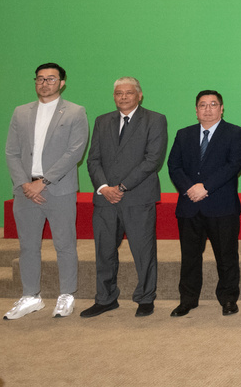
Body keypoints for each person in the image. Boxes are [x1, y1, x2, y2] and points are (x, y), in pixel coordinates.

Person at [3, 63, 89, 320]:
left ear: (61, 83)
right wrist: (25, 184)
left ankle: (66, 294)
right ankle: (31, 296)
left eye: (51, 79)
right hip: (25, 191)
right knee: (28, 247)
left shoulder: (75, 112)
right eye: (40, 79)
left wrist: (44, 181)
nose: (44, 83)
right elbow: (11, 152)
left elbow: (75, 152)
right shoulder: (21, 112)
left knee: (64, 244)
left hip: (58, 189)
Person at [82, 77, 168, 318]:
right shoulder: (102, 121)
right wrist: (103, 187)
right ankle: (106, 298)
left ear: (139, 95)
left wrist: (121, 187)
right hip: (105, 199)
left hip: (138, 197)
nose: (123, 97)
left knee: (143, 252)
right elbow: (93, 159)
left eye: (129, 92)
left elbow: (153, 160)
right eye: (118, 93)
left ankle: (145, 298)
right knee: (104, 252)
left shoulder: (155, 119)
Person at [167, 90, 241, 317]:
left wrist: (206, 187)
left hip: (222, 206)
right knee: (189, 258)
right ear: (196, 110)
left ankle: (228, 299)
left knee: (226, 256)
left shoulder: (236, 133)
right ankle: (188, 300)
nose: (208, 109)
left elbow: (234, 165)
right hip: (189, 206)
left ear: (221, 108)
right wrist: (189, 188)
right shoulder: (184, 134)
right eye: (203, 105)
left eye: (213, 104)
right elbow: (174, 166)